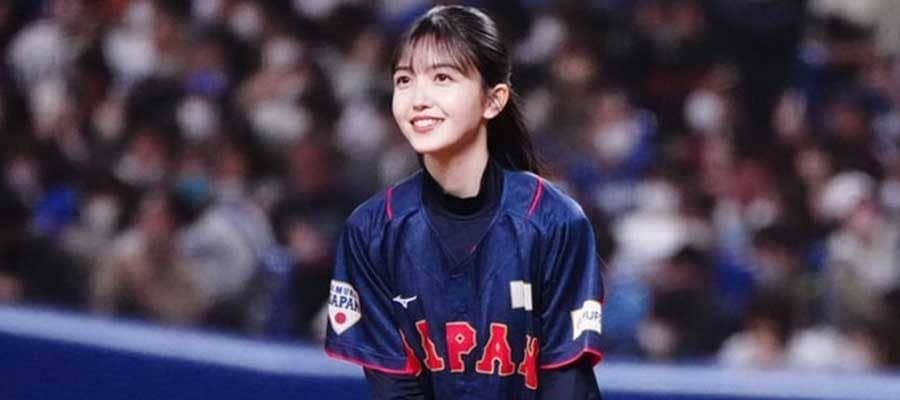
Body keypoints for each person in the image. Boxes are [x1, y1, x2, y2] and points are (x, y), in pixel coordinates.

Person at [324, 6, 604, 399]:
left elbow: (567, 385)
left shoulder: (554, 220)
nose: (418, 99)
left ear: (493, 100)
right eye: (404, 80)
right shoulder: (372, 230)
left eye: (442, 77)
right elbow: (396, 391)